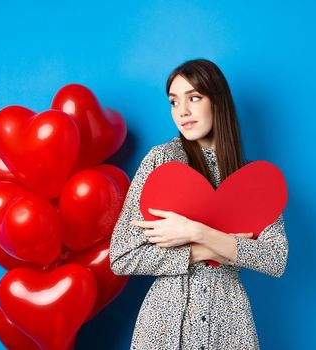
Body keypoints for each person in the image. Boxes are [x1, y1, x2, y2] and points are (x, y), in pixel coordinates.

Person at [108, 58, 288, 350]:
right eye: (174, 102)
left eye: (194, 98)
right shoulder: (162, 161)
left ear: (218, 101)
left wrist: (196, 231)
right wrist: (210, 249)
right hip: (165, 323)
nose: (183, 112)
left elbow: (275, 258)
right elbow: (121, 256)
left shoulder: (253, 181)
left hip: (229, 324)